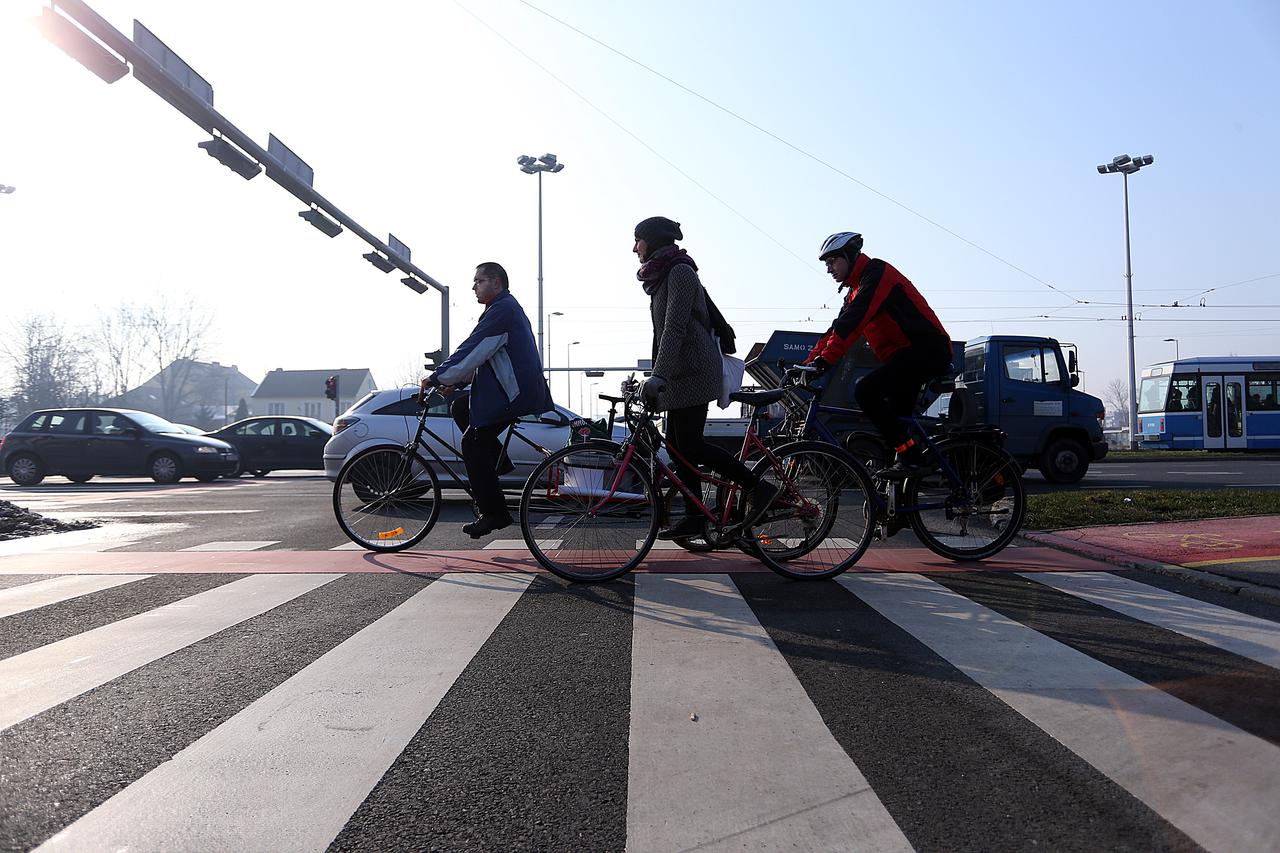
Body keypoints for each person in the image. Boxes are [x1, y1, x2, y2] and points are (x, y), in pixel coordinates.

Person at [632, 216, 777, 540]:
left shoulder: (679, 272)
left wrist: (658, 375)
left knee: (691, 444)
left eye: (637, 240)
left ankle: (758, 488)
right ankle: (696, 515)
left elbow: (675, 328)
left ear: (652, 240)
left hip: (695, 372)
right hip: (679, 375)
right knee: (676, 445)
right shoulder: (662, 276)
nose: (634, 248)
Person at [804, 231, 953, 479]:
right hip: (904, 357)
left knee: (865, 391)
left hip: (927, 350)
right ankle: (904, 501)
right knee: (896, 426)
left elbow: (853, 322)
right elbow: (836, 327)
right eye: (826, 264)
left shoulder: (877, 274)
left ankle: (913, 459)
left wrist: (825, 362)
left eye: (832, 261)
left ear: (849, 256)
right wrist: (808, 363)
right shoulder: (855, 288)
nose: (829, 269)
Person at [421, 262, 552, 538]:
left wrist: (438, 377)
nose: (473, 287)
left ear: (496, 282)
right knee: (460, 406)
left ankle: (495, 513)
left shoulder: (502, 310)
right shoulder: (502, 309)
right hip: (511, 390)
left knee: (472, 443)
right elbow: (487, 358)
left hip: (514, 394)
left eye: (478, 281)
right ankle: (499, 461)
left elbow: (473, 350)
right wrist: (456, 381)